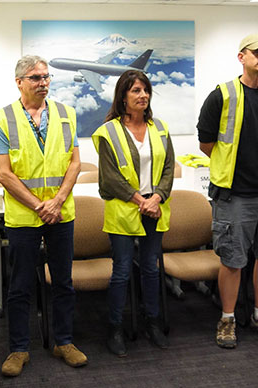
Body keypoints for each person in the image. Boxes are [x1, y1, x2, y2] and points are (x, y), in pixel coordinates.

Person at [0, 55, 87, 377]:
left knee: (63, 282)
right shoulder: (2, 118)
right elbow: (3, 174)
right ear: (19, 82)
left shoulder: (66, 114)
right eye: (35, 78)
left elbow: (75, 163)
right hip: (24, 218)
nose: (43, 82)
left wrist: (57, 201)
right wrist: (38, 205)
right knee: (19, 286)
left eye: (46, 77)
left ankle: (64, 341)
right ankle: (19, 349)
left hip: (61, 214)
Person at [197, 33, 258, 349]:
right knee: (233, 260)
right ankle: (227, 318)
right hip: (235, 195)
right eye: (257, 52)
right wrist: (233, 169)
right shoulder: (222, 95)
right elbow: (206, 143)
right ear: (241, 57)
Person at [92, 70, 174, 357]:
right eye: (136, 91)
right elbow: (110, 178)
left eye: (146, 90)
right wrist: (141, 200)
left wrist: (158, 197)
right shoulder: (109, 131)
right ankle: (115, 327)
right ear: (123, 97)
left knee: (151, 269)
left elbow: (168, 169)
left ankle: (152, 321)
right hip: (124, 209)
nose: (143, 96)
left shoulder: (160, 128)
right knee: (122, 271)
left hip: (155, 208)